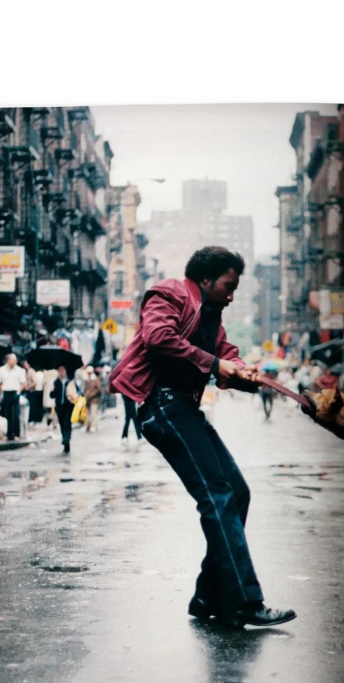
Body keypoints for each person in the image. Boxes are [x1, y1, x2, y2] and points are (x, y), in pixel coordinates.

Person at [109, 244, 294, 628]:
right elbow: (158, 337)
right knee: (218, 496)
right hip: (162, 405)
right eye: (228, 285)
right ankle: (244, 600)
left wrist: (244, 373)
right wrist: (215, 364)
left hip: (184, 407)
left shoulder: (213, 315)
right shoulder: (169, 293)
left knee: (237, 493)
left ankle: (208, 595)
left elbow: (228, 354)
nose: (232, 294)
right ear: (205, 279)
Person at [0, 352, 27, 440]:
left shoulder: (19, 370)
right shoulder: (2, 370)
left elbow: (23, 383)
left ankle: (17, 433)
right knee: (7, 414)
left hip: (15, 393)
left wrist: (19, 390)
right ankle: (9, 434)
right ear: (8, 360)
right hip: (6, 393)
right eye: (13, 360)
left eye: (16, 360)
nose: (15, 362)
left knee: (16, 414)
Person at [52, 364, 78, 454]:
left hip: (68, 406)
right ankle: (65, 440)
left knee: (67, 423)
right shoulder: (56, 382)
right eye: (60, 370)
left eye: (63, 370)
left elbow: (77, 391)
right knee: (62, 423)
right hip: (59, 406)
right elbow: (52, 395)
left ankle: (66, 439)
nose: (61, 372)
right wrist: (52, 391)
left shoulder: (70, 382)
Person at [83, 367, 103, 432]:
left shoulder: (95, 379)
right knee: (88, 413)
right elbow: (85, 389)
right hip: (87, 399)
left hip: (94, 399)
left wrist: (91, 394)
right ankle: (88, 425)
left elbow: (98, 389)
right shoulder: (86, 380)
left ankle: (93, 425)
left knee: (93, 413)